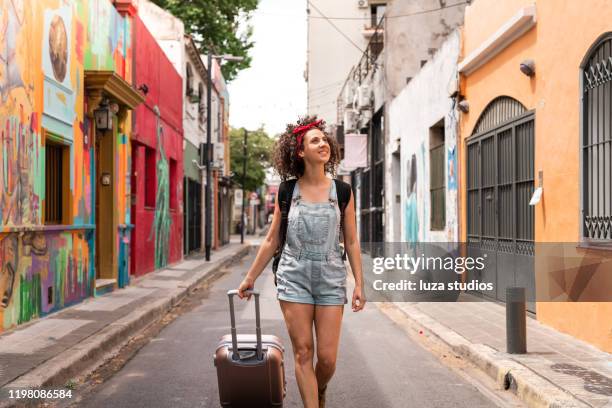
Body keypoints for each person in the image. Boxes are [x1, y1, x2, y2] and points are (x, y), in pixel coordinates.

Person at [236, 116, 365, 408]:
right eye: (314, 140)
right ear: (300, 151)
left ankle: (318, 390)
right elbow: (272, 240)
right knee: (304, 352)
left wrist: (359, 283)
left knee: (328, 359)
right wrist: (249, 277)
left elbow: (352, 241)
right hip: (293, 277)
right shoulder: (287, 191)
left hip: (331, 278)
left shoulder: (342, 192)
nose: (323, 143)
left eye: (324, 139)